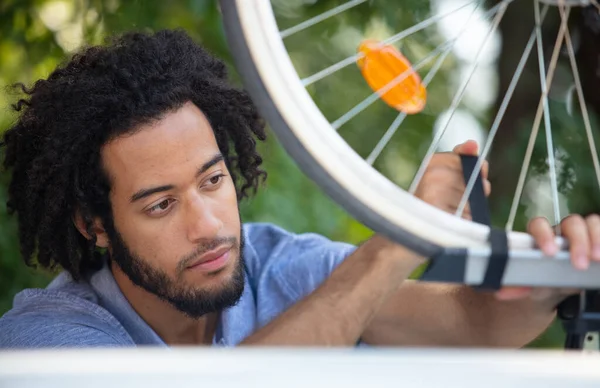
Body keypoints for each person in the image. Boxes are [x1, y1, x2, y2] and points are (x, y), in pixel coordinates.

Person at [0, 29, 595, 348]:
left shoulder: (279, 266)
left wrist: (551, 279)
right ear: (94, 224)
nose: (208, 225)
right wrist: (394, 243)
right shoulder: (45, 340)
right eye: (160, 204)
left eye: (213, 180)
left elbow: (472, 328)